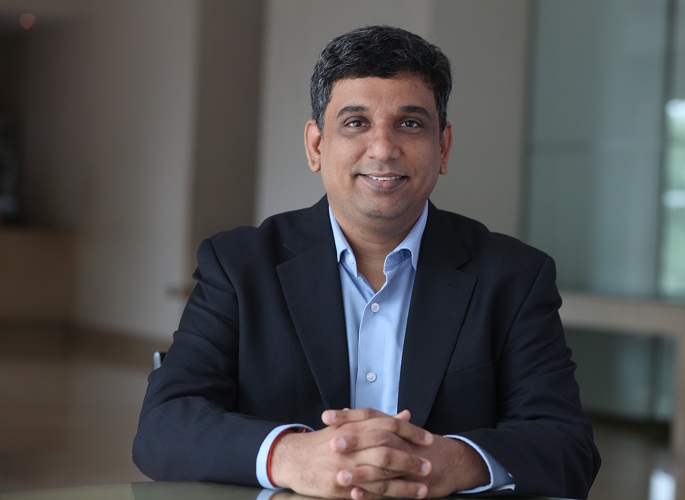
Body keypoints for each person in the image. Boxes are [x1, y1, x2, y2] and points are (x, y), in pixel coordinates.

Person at [133, 25, 600, 499]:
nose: (383, 149)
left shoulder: (514, 277)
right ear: (316, 146)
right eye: (356, 123)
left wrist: (452, 462)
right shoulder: (238, 267)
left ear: (442, 147)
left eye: (410, 123)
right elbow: (163, 425)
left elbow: (566, 444)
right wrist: (292, 457)